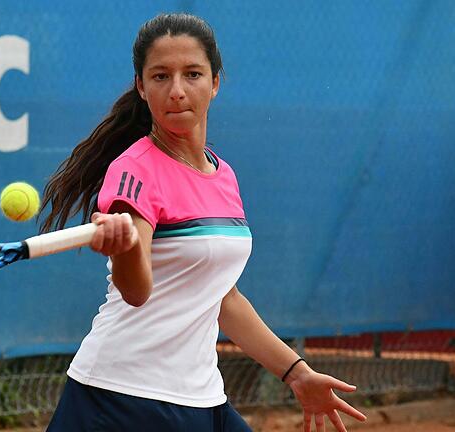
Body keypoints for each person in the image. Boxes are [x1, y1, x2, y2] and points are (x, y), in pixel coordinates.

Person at [38, 13, 367, 432]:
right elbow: (136, 291)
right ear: (141, 86)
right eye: (160, 77)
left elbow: (222, 300)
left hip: (201, 396)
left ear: (214, 82)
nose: (176, 91)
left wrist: (296, 373)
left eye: (192, 74)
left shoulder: (222, 174)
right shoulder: (133, 171)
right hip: (123, 398)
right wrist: (126, 249)